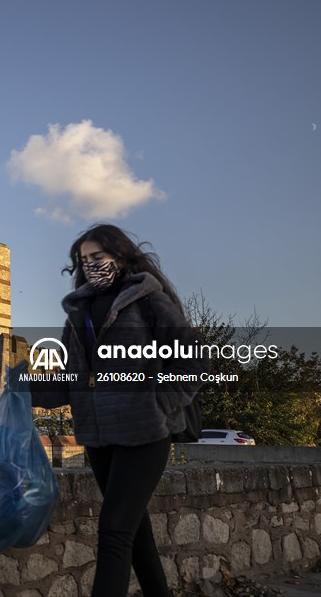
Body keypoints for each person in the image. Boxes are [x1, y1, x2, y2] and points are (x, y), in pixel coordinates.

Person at [32, 224, 208, 597]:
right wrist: (20, 392)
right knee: (135, 532)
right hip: (99, 438)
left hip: (145, 433)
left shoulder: (148, 301)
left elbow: (192, 361)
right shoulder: (78, 315)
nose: (91, 265)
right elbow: (72, 381)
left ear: (120, 256)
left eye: (98, 257)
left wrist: (159, 404)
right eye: (83, 260)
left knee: (113, 531)